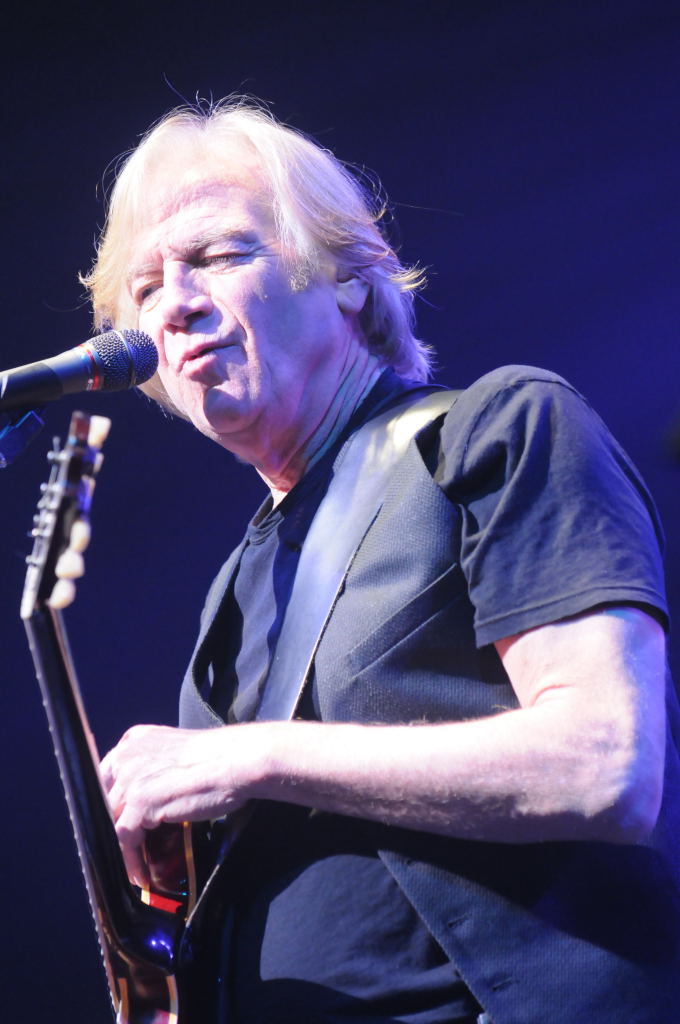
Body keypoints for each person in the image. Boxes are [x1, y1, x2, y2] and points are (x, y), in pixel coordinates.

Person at [90, 98, 680, 1023]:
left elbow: (605, 765)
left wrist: (255, 756)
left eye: (217, 255)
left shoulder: (498, 429)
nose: (176, 302)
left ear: (351, 279)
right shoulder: (237, 591)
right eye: (147, 286)